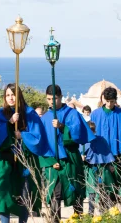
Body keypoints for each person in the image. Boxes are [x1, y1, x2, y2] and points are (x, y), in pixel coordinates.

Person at [0, 83, 51, 223]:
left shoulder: (29, 113)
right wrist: (9, 123)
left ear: (19, 95)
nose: (10, 98)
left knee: (24, 195)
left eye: (13, 95)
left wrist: (22, 136)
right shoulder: (0, 114)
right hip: (5, 160)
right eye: (7, 95)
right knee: (4, 194)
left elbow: (38, 137)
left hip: (24, 160)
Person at [40, 84, 91, 222]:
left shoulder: (72, 113)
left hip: (71, 161)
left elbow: (79, 136)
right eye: (49, 99)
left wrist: (62, 127)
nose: (52, 102)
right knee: (54, 197)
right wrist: (51, 162)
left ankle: (79, 221)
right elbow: (41, 145)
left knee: (76, 195)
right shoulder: (44, 119)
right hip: (54, 164)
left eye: (55, 99)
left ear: (61, 97)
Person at [89, 87, 121, 202]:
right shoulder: (95, 115)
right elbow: (89, 135)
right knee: (104, 182)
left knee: (118, 182)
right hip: (102, 155)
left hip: (119, 154)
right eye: (107, 101)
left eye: (112, 101)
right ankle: (105, 207)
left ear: (115, 100)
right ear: (103, 99)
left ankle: (114, 206)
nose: (109, 104)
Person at [80, 121, 114, 215]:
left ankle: (103, 210)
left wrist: (110, 164)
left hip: (102, 167)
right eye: (89, 129)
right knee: (92, 190)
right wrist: (81, 157)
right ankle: (91, 212)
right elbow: (80, 153)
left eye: (92, 129)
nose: (91, 131)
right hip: (90, 167)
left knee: (103, 188)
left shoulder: (101, 139)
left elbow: (107, 152)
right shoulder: (83, 141)